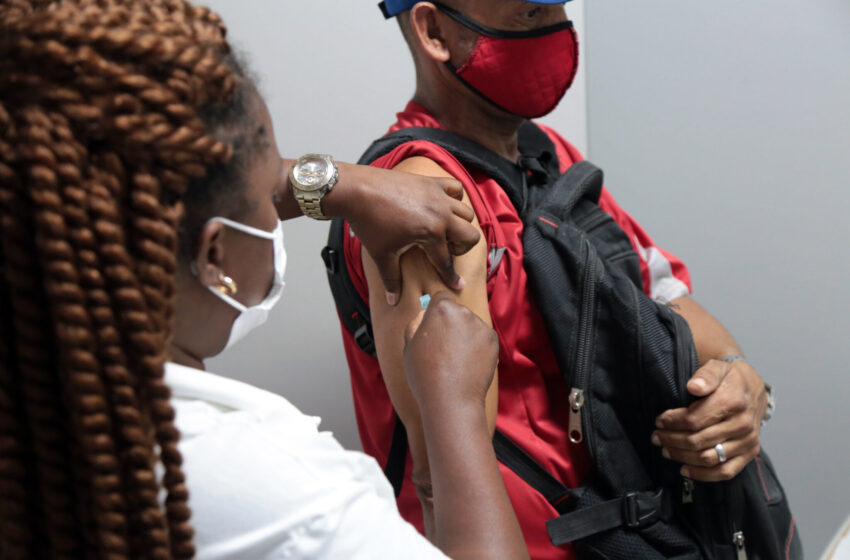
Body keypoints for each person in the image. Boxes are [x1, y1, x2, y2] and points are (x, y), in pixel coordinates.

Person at [0, 1, 530, 558]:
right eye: (267, 196)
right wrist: (455, 411)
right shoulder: (277, 497)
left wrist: (339, 183)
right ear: (214, 257)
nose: (284, 199)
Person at [332, 1, 774, 558]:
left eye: (559, 11)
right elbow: (440, 479)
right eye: (529, 15)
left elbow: (661, 295)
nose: (557, 35)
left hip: (629, 532)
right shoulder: (420, 194)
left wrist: (740, 382)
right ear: (434, 29)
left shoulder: (549, 157)